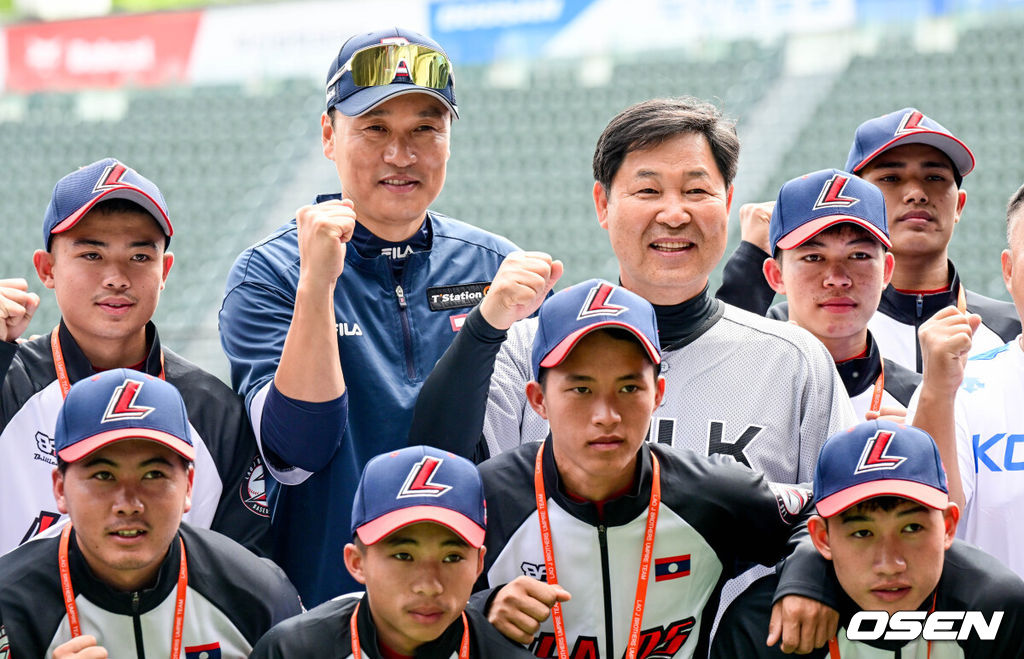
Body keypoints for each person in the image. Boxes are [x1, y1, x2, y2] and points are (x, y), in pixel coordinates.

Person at [218, 27, 520, 606]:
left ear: (450, 140)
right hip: (323, 613)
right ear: (329, 135)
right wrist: (317, 284)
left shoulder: (493, 266)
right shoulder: (270, 273)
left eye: (424, 130)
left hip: (464, 613)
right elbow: (296, 450)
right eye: (375, 128)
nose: (400, 155)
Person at [412, 97, 854, 482]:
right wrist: (485, 327)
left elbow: (838, 516)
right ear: (603, 205)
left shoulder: (793, 360)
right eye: (648, 190)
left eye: (697, 190)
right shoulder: (528, 350)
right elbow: (437, 467)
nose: (675, 213)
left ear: (727, 200)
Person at [472, 280, 840, 658]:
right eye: (581, 390)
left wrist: (806, 579)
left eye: (629, 388)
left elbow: (824, 507)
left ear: (658, 394)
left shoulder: (704, 494)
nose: (606, 416)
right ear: (538, 400)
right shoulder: (485, 497)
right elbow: (413, 595)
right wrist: (480, 610)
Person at [0, 157, 269, 558]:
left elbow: (242, 577)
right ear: (47, 268)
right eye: (92, 255)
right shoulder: (9, 383)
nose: (116, 277)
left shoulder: (215, 413)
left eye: (140, 257)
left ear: (165, 270)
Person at [0, 368, 301, 657]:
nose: (129, 503)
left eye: (153, 475)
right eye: (104, 475)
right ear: (60, 489)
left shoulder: (257, 593)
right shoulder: (8, 603)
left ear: (188, 486)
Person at [717, 108, 1020, 372]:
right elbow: (720, 370)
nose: (916, 193)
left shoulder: (1012, 329)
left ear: (960, 205)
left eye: (934, 177)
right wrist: (750, 263)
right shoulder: (796, 324)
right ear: (854, 197)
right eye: (891, 178)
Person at [712, 419, 1024, 657]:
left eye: (912, 529)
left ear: (948, 526)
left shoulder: (997, 606)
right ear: (822, 538)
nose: (890, 564)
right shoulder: (761, 626)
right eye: (862, 533)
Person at [250, 445, 532, 658]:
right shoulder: (291, 651)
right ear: (356, 562)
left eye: (452, 558)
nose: (429, 586)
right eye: (403, 556)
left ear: (479, 564)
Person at [907, 180, 1024, 579]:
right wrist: (938, 393)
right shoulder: (956, 392)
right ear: (1008, 271)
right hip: (997, 640)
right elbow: (927, 530)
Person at [761, 169, 921, 420]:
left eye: (859, 256)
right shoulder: (737, 390)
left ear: (887, 271)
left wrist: (924, 451)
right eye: (813, 257)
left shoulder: (920, 405)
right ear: (776, 275)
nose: (837, 278)